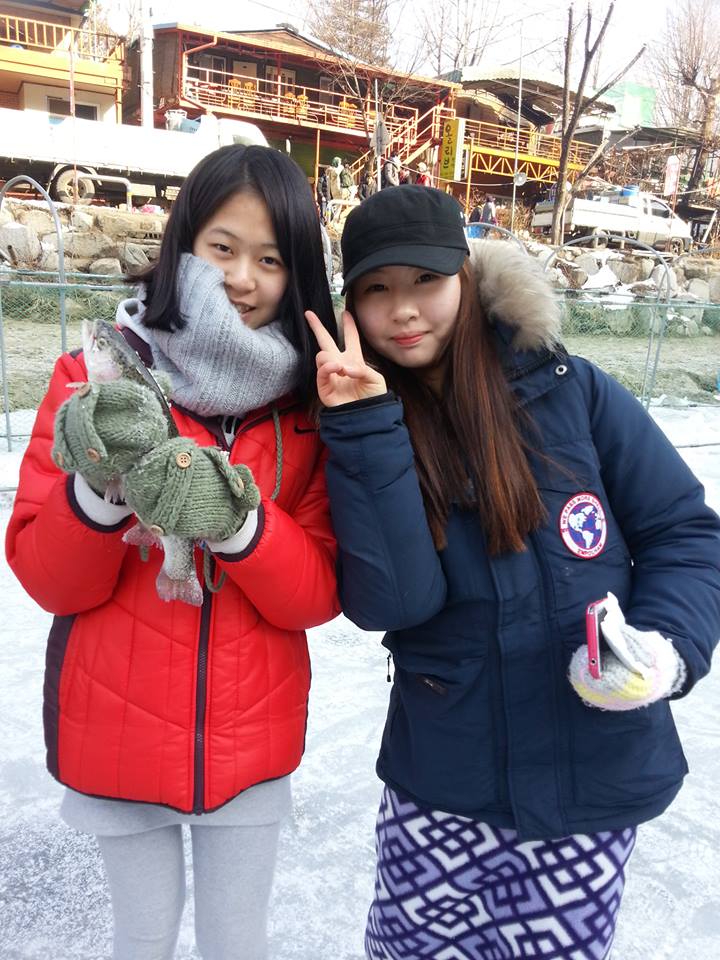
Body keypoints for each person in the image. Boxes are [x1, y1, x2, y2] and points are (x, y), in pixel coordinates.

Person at [306, 185, 720, 960]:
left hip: (590, 778)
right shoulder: (356, 421)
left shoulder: (573, 391)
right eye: (377, 289)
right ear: (351, 306)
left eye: (426, 280)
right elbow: (395, 601)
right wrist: (362, 426)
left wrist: (664, 649)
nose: (404, 309)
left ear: (465, 278)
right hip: (443, 787)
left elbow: (684, 531)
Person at [6, 144, 340, 960]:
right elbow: (48, 580)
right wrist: (100, 492)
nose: (243, 279)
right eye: (222, 248)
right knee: (143, 937)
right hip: (114, 729)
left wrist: (237, 526)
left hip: (250, 738)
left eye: (271, 260)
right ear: (183, 243)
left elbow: (315, 594)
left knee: (237, 942)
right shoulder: (93, 377)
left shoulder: (309, 408)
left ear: (297, 275)